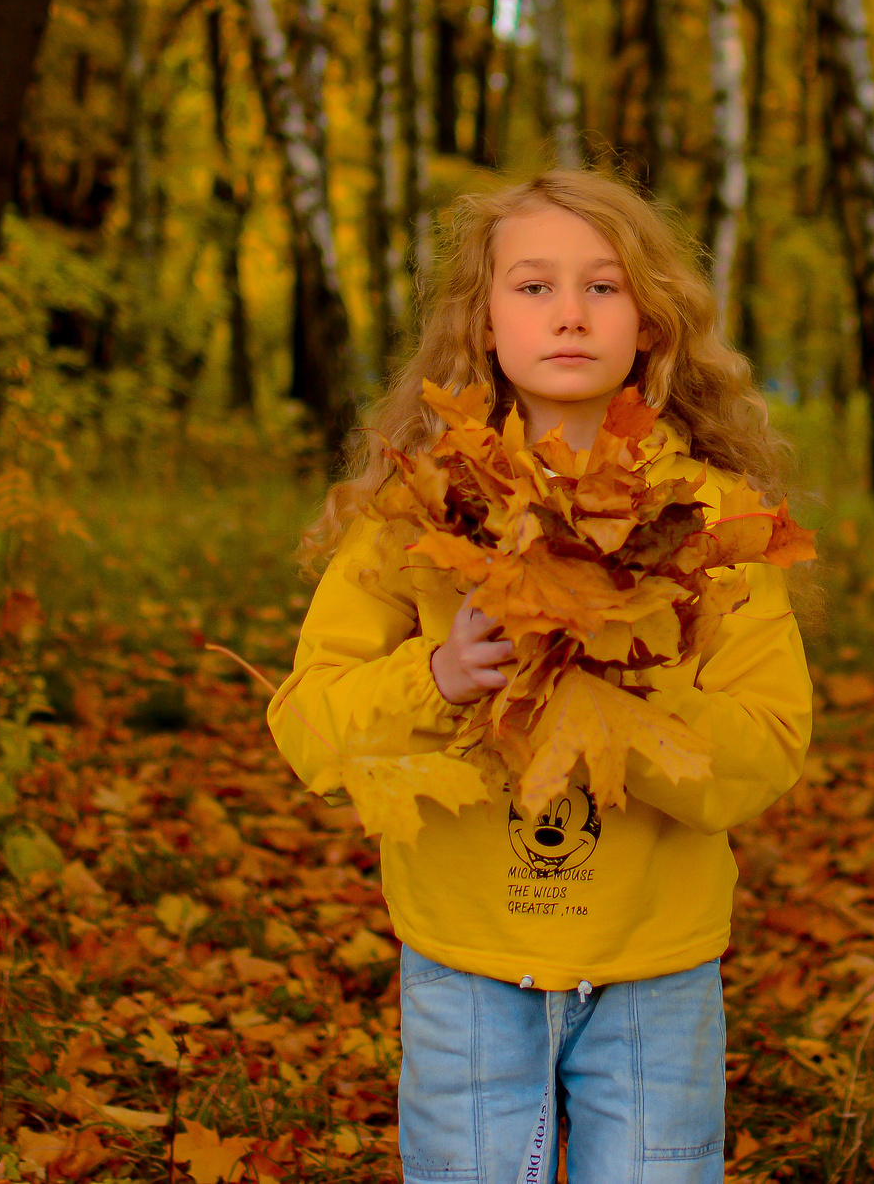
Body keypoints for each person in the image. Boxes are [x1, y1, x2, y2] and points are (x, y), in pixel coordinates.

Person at [269, 170, 813, 1184]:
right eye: (531, 286)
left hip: (654, 965)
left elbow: (766, 755)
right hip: (467, 959)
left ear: (653, 323)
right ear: (479, 323)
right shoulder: (416, 512)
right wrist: (440, 675)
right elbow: (309, 728)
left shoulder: (711, 520)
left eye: (604, 287)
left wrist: (632, 685)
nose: (568, 312)